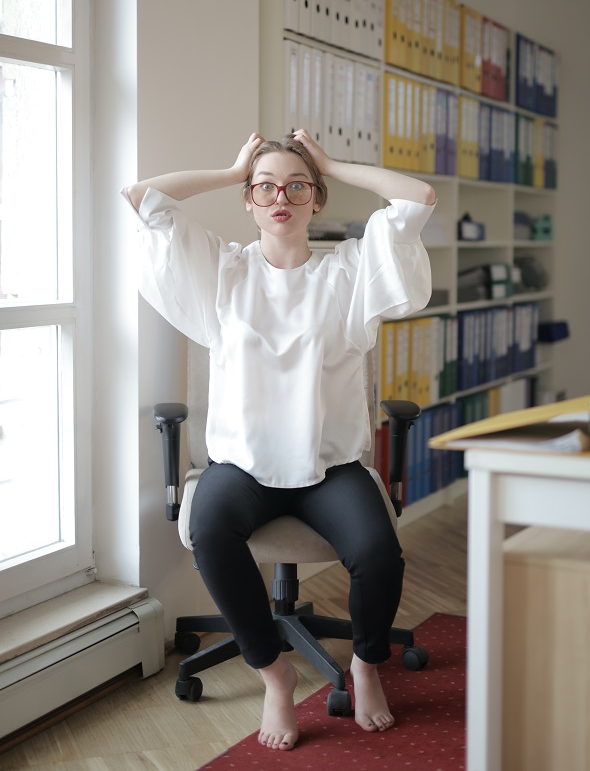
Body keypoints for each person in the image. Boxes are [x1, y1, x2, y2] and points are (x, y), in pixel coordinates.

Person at [124, 129, 436, 751]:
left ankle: (366, 664)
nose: (280, 197)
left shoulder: (350, 271)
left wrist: (332, 164)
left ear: (315, 197)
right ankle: (274, 673)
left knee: (378, 552)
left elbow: (417, 197)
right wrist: (232, 166)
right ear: (249, 200)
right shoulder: (223, 270)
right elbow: (142, 197)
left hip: (330, 466)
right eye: (264, 187)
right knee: (210, 530)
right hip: (242, 466)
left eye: (297, 185)